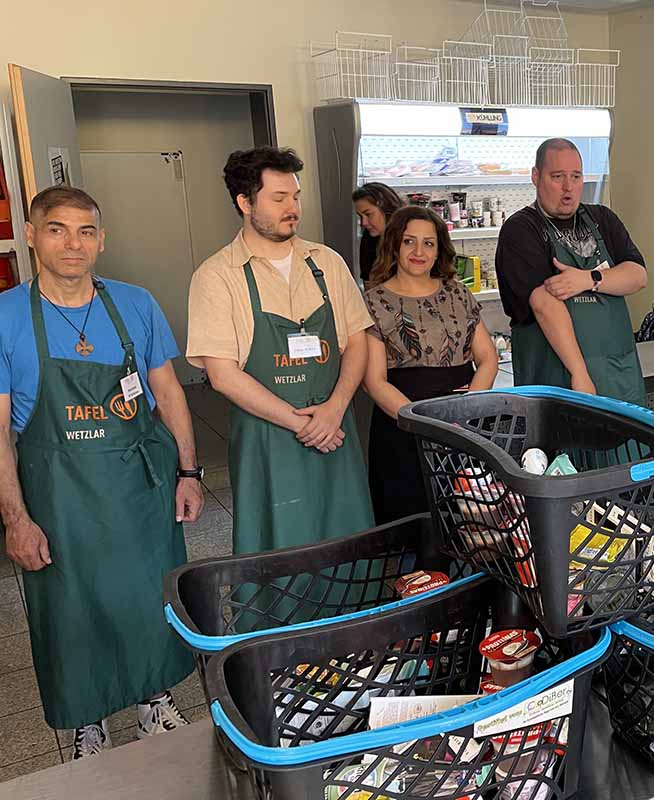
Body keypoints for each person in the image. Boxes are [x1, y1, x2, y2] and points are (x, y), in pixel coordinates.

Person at [0, 187, 200, 758]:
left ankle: (154, 701)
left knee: (148, 595)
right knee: (71, 605)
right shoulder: (6, 316)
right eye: (57, 229)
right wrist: (16, 518)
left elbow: (167, 392)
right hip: (58, 492)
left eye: (86, 231)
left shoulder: (134, 303)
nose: (73, 244)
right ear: (33, 236)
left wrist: (189, 471)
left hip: (139, 484)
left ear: (102, 240)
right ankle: (88, 719)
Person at [187, 146, 374, 555]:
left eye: (295, 196)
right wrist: (304, 424)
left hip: (336, 429)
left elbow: (358, 339)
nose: (293, 208)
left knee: (347, 544)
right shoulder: (217, 276)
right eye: (278, 198)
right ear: (244, 202)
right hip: (268, 441)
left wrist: (335, 407)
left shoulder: (326, 262)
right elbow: (223, 375)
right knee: (279, 551)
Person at [361, 206, 498, 524]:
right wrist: (421, 424)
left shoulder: (457, 293)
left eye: (429, 243)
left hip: (464, 424)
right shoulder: (373, 301)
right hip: (403, 426)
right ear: (394, 245)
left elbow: (487, 357)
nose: (419, 251)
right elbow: (374, 381)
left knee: (470, 519)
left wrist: (468, 411)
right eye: (409, 242)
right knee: (412, 526)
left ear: (439, 251)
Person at [495, 138, 648, 404]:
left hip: (617, 376)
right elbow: (544, 303)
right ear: (536, 176)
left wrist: (587, 279)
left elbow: (637, 275)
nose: (568, 187)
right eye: (557, 177)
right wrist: (579, 372)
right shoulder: (521, 230)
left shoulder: (603, 219)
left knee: (624, 441)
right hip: (558, 378)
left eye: (575, 176)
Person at [353, 182, 405, 283]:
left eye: (368, 214)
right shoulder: (369, 238)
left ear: (386, 208)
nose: (364, 223)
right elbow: (368, 282)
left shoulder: (411, 235)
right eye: (360, 216)